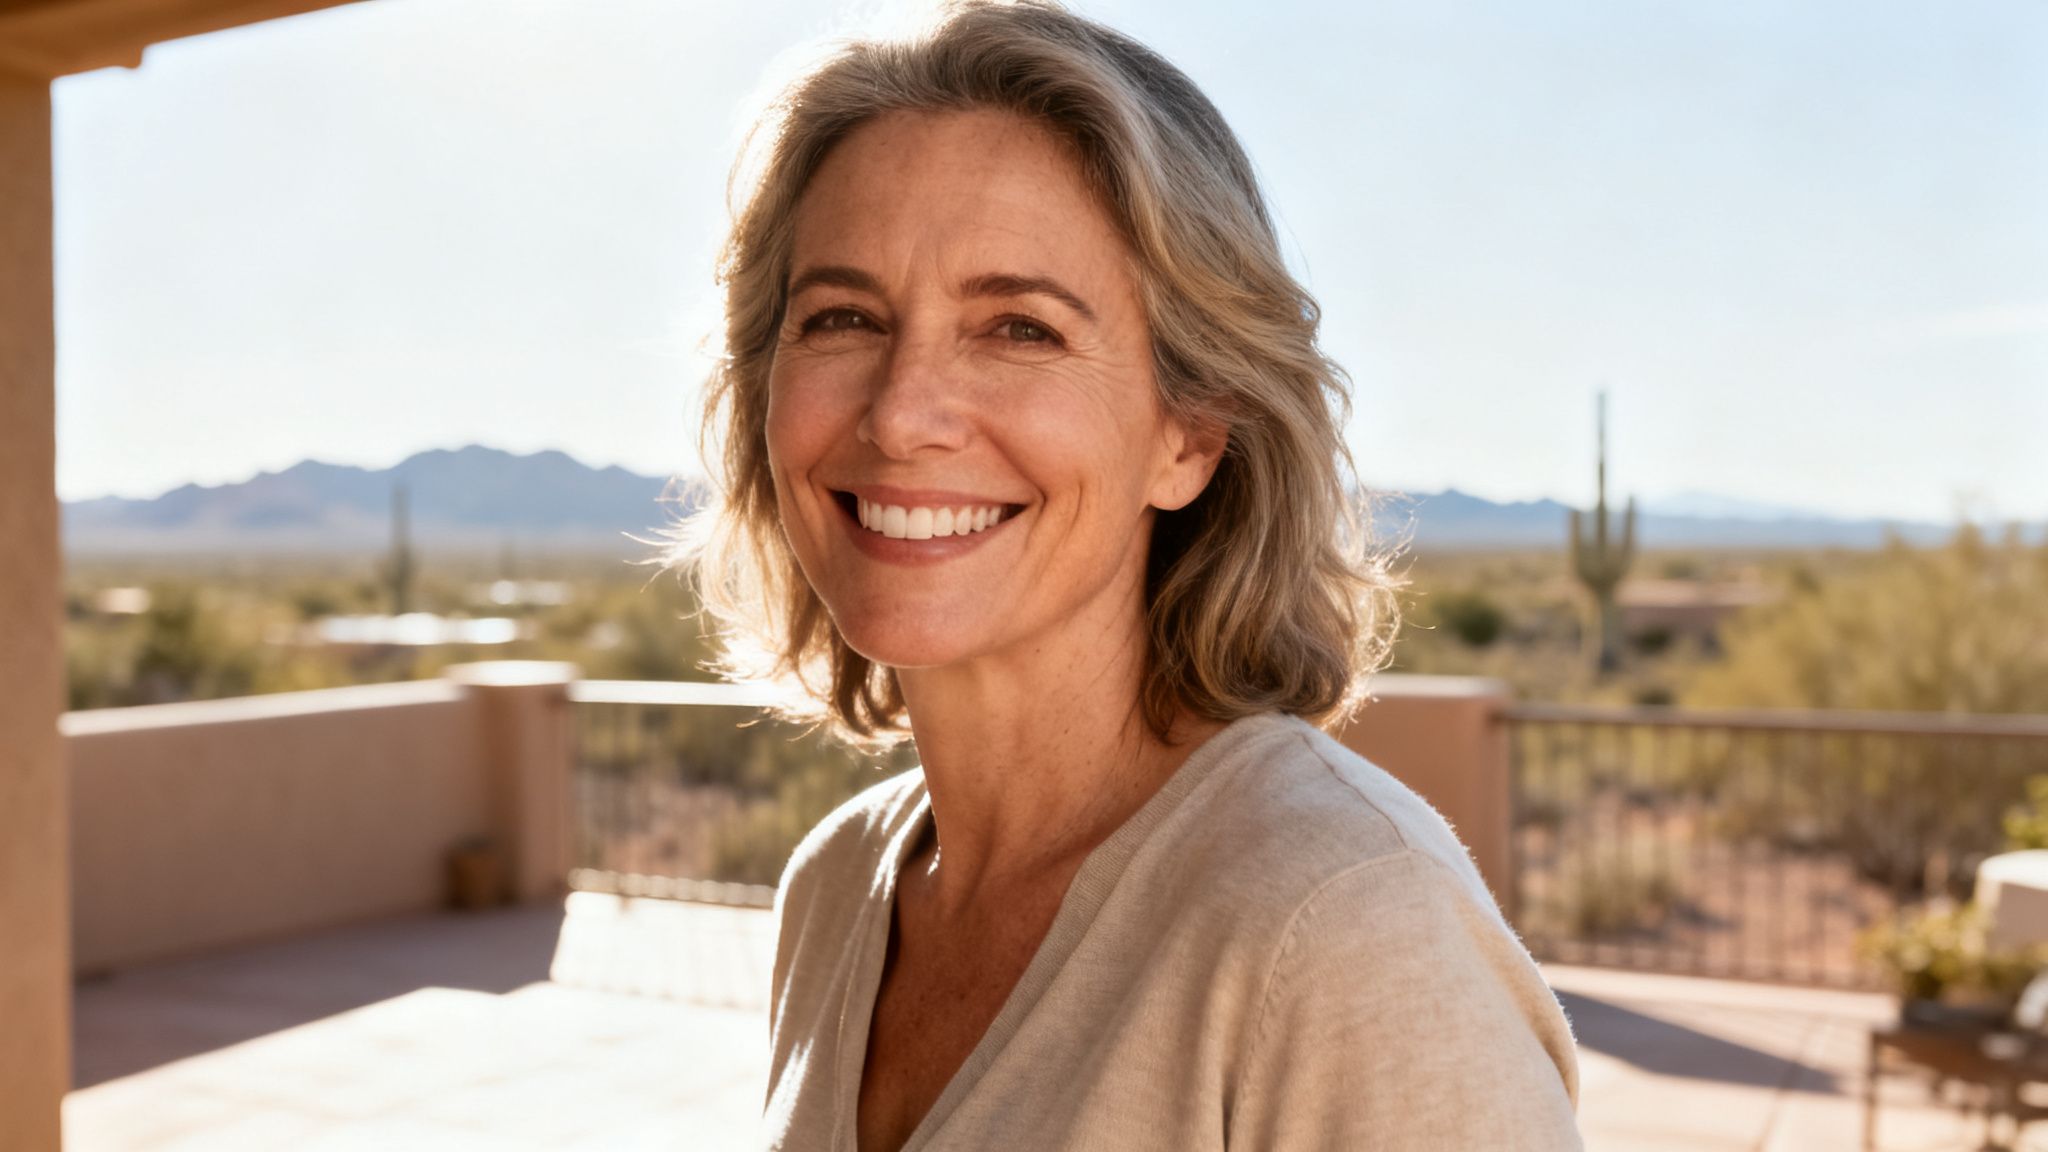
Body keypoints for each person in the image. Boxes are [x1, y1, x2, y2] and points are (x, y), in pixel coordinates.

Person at [673, 2, 1585, 1148]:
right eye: (843, 317)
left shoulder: (1347, 922)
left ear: (1189, 436)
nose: (902, 414)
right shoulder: (836, 885)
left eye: (1018, 329)